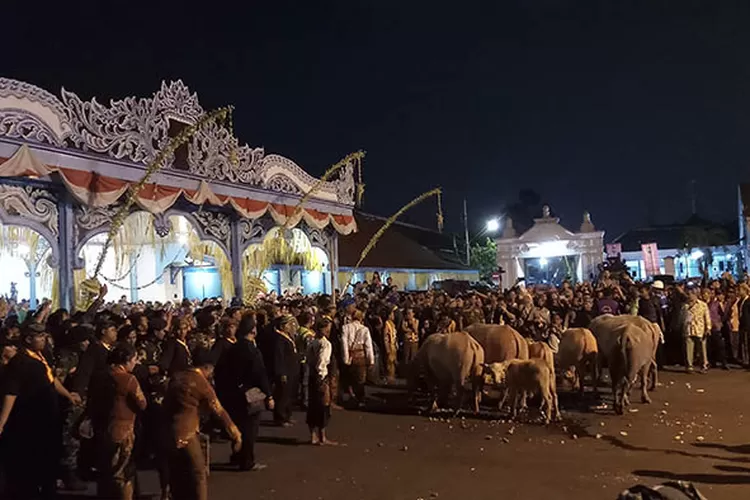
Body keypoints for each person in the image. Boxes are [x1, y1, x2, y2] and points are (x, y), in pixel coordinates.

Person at [0, 323, 82, 499]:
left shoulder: (41, 356)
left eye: (45, 336)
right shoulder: (20, 362)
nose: (44, 340)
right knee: (30, 465)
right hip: (30, 420)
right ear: (28, 339)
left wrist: (68, 395)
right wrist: (2, 422)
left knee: (49, 461)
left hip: (48, 417)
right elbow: (11, 393)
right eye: (39, 336)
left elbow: (51, 379)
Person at [162, 349, 241, 500]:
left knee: (175, 474)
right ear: (207, 367)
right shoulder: (200, 383)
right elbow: (218, 409)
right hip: (188, 432)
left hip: (168, 431)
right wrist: (235, 433)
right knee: (198, 473)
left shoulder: (177, 377)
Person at [88, 343, 147, 500]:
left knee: (105, 470)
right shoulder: (128, 379)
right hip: (123, 429)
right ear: (126, 360)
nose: (136, 363)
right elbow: (142, 403)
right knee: (123, 472)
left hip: (102, 428)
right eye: (134, 359)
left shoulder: (100, 375)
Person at [215, 314, 273, 471]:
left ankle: (236, 455)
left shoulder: (232, 349)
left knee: (237, 426)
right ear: (253, 330)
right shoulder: (252, 351)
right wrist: (269, 395)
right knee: (250, 429)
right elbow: (260, 374)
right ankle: (247, 461)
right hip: (250, 393)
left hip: (233, 392)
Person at [306, 317, 338, 445]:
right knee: (323, 407)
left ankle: (313, 435)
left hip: (312, 376)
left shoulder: (312, 342)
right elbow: (322, 362)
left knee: (312, 406)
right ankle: (322, 436)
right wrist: (322, 377)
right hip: (321, 377)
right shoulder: (325, 344)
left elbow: (308, 358)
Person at [341, 309, 374, 407]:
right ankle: (360, 399)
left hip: (351, 356)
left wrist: (345, 358)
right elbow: (368, 347)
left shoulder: (345, 328)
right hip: (361, 357)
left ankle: (352, 397)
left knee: (350, 378)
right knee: (360, 380)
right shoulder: (364, 329)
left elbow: (344, 344)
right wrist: (370, 360)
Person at [271, 314, 299, 426]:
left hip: (292, 369)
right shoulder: (279, 339)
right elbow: (279, 357)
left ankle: (288, 415)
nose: (290, 326)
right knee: (282, 395)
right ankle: (280, 417)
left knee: (289, 394)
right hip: (285, 371)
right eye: (288, 324)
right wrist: (281, 372)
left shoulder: (288, 336)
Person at [682, 287, 712, 373]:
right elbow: (682, 318)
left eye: (691, 294)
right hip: (688, 329)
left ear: (695, 295)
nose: (689, 296)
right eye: (688, 294)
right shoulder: (685, 305)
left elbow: (707, 317)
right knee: (689, 348)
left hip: (700, 329)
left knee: (702, 348)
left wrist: (708, 328)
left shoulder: (703, 305)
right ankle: (689, 366)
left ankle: (704, 365)